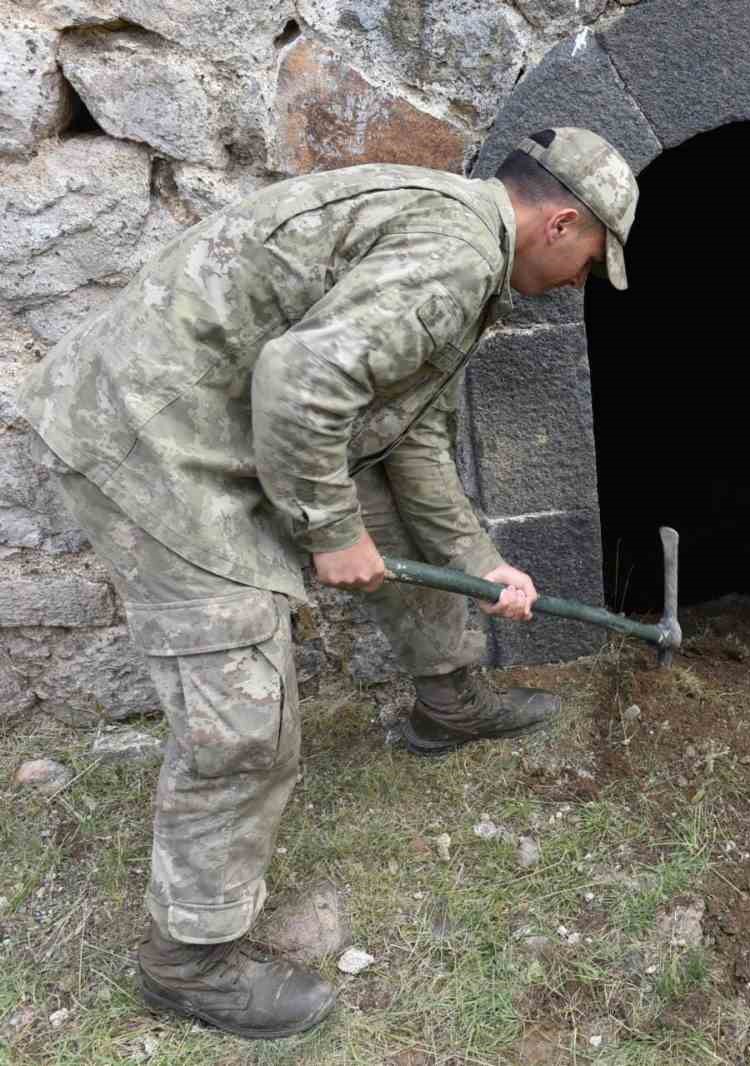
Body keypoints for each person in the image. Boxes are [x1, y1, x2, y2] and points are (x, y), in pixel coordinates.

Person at [18, 127, 640, 1038]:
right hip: (154, 443)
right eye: (594, 259)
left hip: (218, 422)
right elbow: (302, 380)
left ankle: (449, 700)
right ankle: (187, 961)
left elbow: (411, 439)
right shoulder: (454, 257)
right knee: (243, 716)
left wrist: (480, 563)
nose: (586, 279)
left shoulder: (461, 244)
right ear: (561, 222)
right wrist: (329, 530)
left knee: (392, 504)